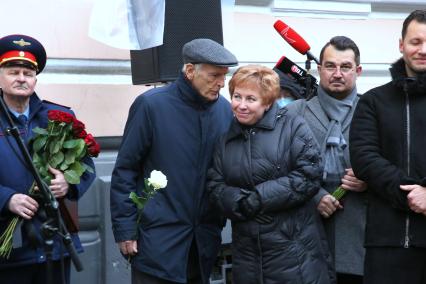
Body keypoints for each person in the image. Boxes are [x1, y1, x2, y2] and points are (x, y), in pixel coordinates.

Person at [110, 38, 237, 284]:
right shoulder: (151, 105)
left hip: (202, 245)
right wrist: (125, 229)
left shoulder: (224, 110)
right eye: (214, 76)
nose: (221, 83)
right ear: (190, 71)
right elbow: (125, 171)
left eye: (224, 75)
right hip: (156, 244)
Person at [207, 65, 335, 284]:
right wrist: (238, 201)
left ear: (267, 102)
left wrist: (259, 198)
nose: (242, 105)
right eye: (237, 96)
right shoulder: (225, 140)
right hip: (248, 259)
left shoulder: (293, 127)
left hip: (293, 255)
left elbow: (309, 175)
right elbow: (214, 186)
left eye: (251, 99)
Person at [0, 34, 96, 283]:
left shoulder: (58, 116)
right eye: (13, 71)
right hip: (8, 248)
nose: (21, 78)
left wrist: (68, 183)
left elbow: (86, 167)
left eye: (28, 73)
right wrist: (6, 198)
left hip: (54, 244)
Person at [350, 10, 426, 284]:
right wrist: (410, 194)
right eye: (415, 41)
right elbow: (364, 158)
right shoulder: (373, 101)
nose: (422, 50)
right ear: (401, 45)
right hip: (388, 245)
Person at [286, 36, 366, 284]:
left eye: (346, 67)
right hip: (306, 238)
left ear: (358, 71)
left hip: (360, 241)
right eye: (330, 66)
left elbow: (393, 164)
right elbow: (276, 168)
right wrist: (315, 196)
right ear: (319, 69)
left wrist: (369, 178)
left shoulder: (372, 111)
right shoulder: (294, 113)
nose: (337, 73)